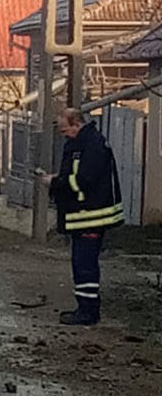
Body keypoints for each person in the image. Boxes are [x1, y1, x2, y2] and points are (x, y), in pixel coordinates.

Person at [42, 108, 124, 326]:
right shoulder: (83, 143)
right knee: (81, 263)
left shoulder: (93, 145)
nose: (64, 135)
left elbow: (84, 180)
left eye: (65, 129)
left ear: (77, 124)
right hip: (84, 215)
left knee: (85, 264)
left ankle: (88, 312)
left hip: (91, 216)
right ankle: (85, 308)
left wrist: (56, 183)